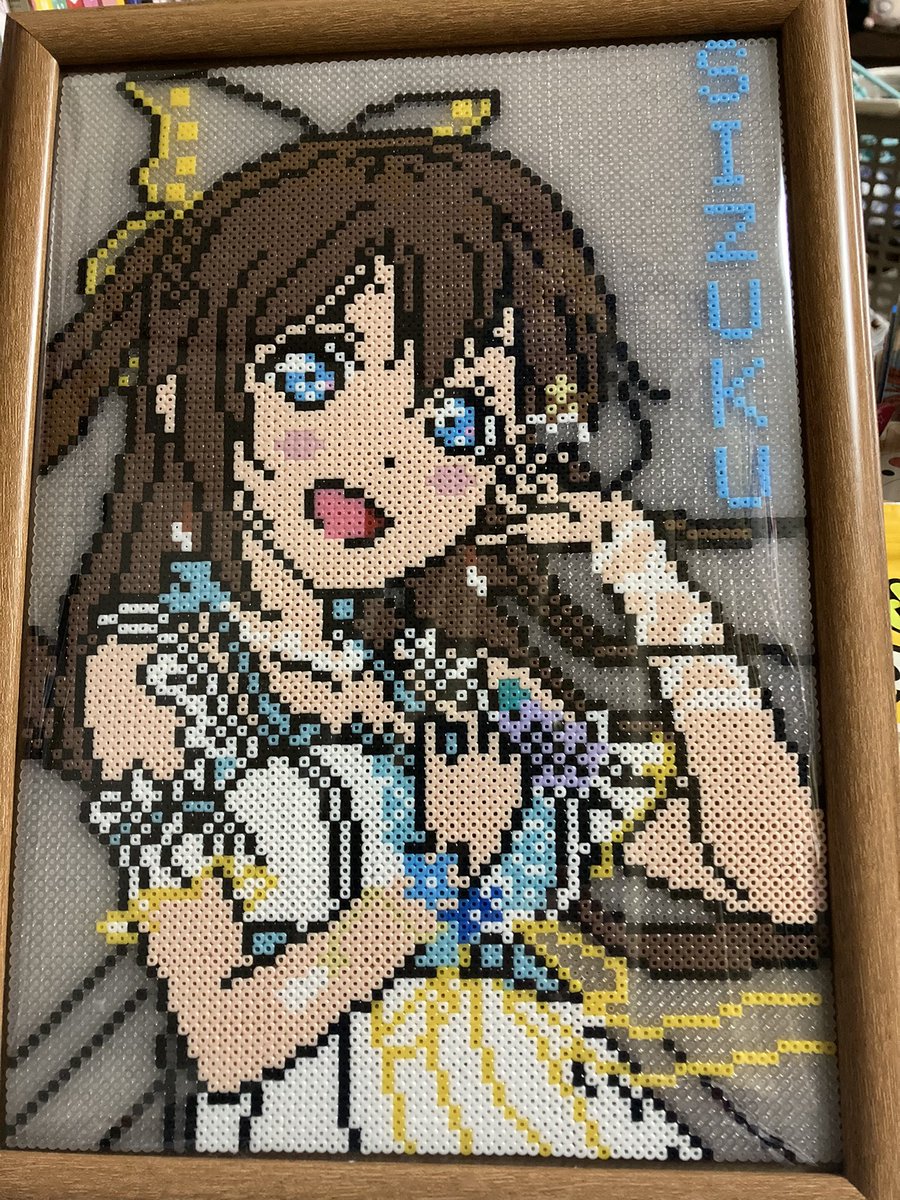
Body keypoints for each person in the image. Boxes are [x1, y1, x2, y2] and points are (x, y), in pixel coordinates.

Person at [37, 93, 831, 1159]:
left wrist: (650, 582)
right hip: (329, 1150)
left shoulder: (456, 688)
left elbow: (782, 876)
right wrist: (441, 868)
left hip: (555, 1126)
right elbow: (224, 1034)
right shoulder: (162, 668)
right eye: (318, 376)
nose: (380, 453)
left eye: (455, 423)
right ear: (194, 381)